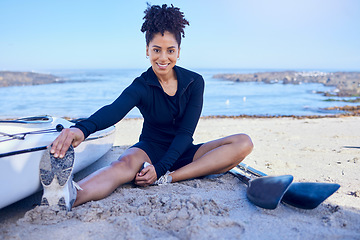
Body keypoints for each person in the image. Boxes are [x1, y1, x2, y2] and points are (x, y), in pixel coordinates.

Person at [39, 3, 253, 211]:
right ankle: (70, 195)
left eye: (170, 50)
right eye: (156, 50)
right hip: (149, 150)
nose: (163, 57)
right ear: (147, 51)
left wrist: (160, 172)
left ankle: (169, 178)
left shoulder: (194, 82)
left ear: (179, 51)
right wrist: (82, 129)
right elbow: (114, 110)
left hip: (184, 151)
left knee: (243, 142)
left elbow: (186, 133)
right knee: (121, 166)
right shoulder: (141, 85)